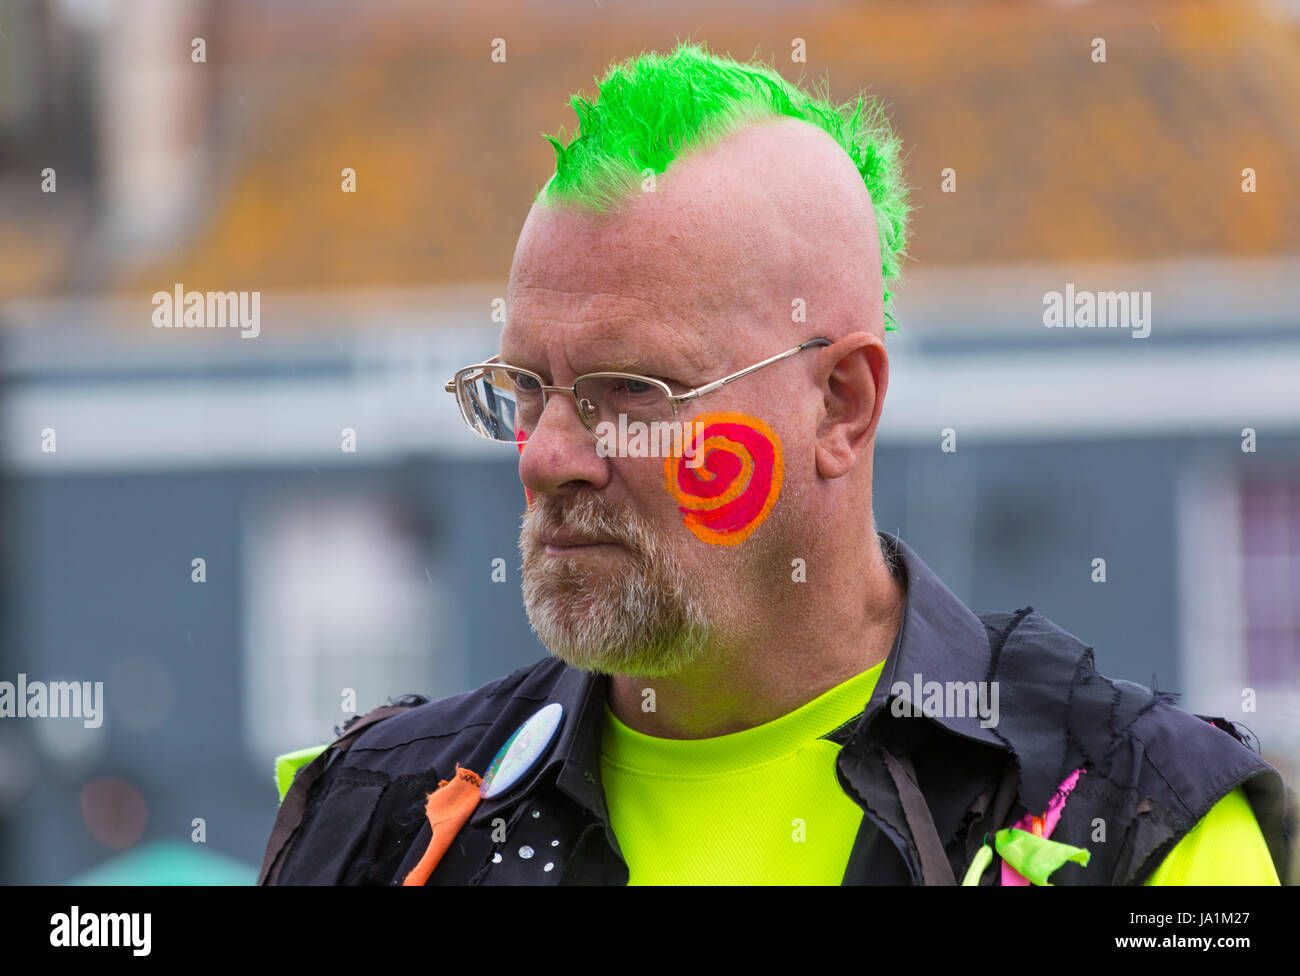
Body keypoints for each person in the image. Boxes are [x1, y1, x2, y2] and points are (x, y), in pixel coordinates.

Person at [261, 42, 1293, 886]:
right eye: (525, 388)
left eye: (631, 392)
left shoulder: (1135, 827)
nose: (553, 458)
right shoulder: (382, 820)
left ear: (840, 404)